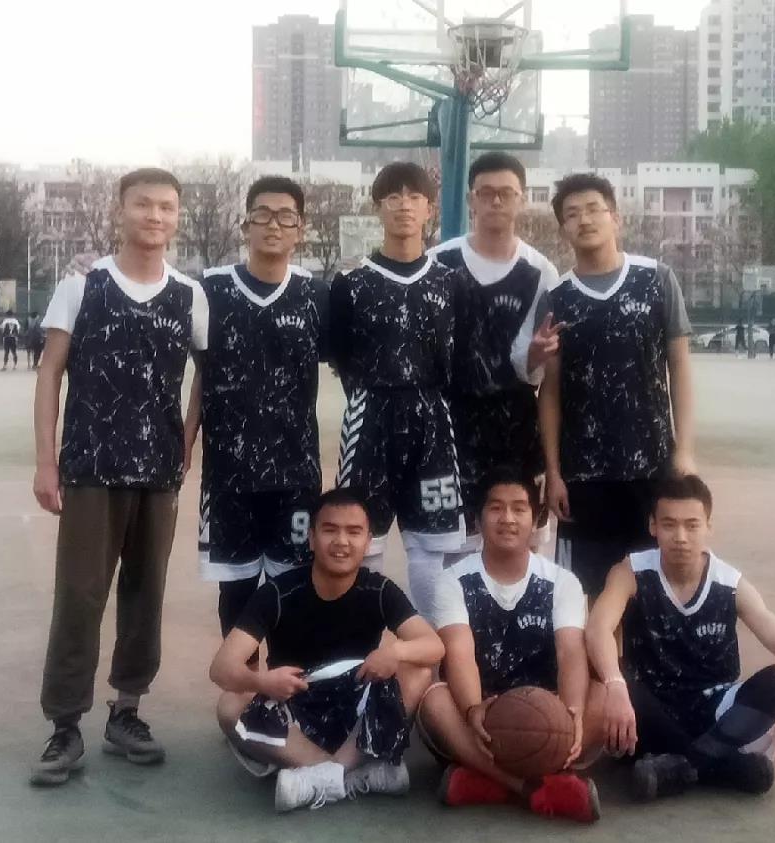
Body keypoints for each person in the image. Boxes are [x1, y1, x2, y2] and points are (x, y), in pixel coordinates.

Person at [29, 168, 209, 787]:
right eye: (143, 204)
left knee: (145, 594)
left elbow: (206, 373)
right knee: (80, 595)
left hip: (158, 472)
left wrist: (188, 433)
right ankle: (64, 724)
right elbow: (50, 372)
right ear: (121, 211)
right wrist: (46, 460)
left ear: (177, 217)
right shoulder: (83, 284)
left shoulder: (190, 294)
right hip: (89, 467)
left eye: (166, 207)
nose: (154, 216)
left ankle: (126, 711)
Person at [210, 487, 443, 813]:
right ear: (311, 538)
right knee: (230, 704)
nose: (342, 541)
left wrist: (396, 652)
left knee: (416, 670)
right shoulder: (277, 593)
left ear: (368, 541)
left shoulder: (380, 590)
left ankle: (326, 777)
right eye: (330, 530)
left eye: (354, 532)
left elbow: (434, 646)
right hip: (294, 708)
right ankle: (350, 774)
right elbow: (221, 668)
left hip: (357, 710)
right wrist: (263, 682)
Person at [586, 474, 775, 801]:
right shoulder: (630, 573)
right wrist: (615, 686)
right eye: (669, 525)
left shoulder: (729, 583)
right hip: (650, 710)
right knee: (604, 671)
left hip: (716, 710)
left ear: (709, 527)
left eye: (692, 525)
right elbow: (598, 628)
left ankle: (681, 767)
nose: (680, 537)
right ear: (653, 526)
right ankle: (725, 766)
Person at [532, 173, 696, 600]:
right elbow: (551, 390)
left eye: (594, 210)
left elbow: (679, 368)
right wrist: (554, 472)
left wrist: (684, 450)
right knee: (585, 593)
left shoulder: (656, 279)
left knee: (652, 589)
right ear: (563, 228)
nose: (584, 220)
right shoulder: (557, 297)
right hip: (584, 477)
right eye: (572, 214)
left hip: (651, 467)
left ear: (615, 218)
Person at [417, 468, 601, 824]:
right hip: (482, 721)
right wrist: (473, 709)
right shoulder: (454, 580)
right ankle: (534, 788)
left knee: (604, 697)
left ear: (536, 520)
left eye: (519, 508)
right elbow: (459, 653)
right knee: (433, 699)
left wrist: (572, 712)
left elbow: (570, 652)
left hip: (545, 714)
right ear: (478, 519)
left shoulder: (561, 581)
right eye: (496, 508)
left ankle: (486, 781)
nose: (508, 518)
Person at [329, 162, 464, 621]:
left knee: (431, 545)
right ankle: (360, 646)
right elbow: (340, 356)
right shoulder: (351, 284)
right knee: (359, 538)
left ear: (429, 209)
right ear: (378, 208)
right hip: (370, 416)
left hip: (433, 420)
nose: (404, 205)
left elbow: (459, 357)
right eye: (393, 197)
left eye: (414, 197)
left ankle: (430, 648)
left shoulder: (450, 282)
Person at [198, 176, 328, 635]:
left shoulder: (317, 296)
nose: (274, 225)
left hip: (296, 472)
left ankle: (289, 679)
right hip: (228, 474)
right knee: (235, 595)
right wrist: (184, 443)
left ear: (300, 229)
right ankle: (242, 678)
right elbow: (196, 377)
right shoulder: (210, 290)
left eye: (286, 217)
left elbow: (351, 367)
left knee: (294, 591)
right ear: (245, 225)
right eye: (263, 215)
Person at [428, 152, 561, 560]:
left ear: (522, 199)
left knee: (522, 543)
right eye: (486, 192)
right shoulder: (440, 263)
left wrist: (535, 356)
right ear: (471, 198)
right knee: (456, 548)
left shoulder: (542, 272)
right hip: (452, 427)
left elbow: (535, 368)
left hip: (517, 427)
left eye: (506, 193)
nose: (496, 201)